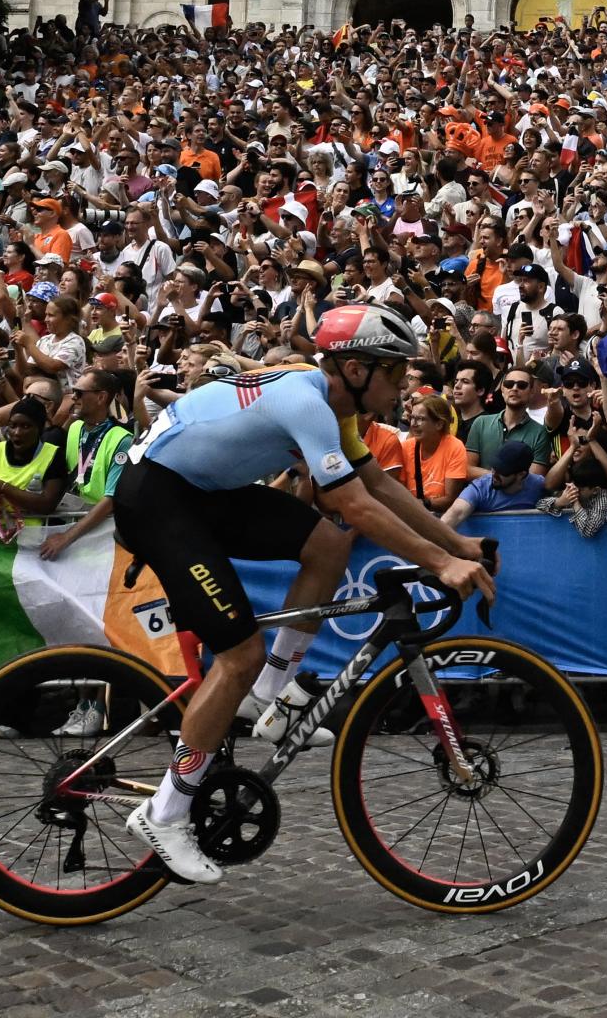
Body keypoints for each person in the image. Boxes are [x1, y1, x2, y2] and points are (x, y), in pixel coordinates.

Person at [111, 304, 489, 886]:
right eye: (394, 373)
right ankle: (165, 811)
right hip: (156, 497)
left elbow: (378, 483)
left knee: (328, 547)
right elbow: (354, 502)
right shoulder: (306, 400)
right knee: (238, 653)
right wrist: (438, 561)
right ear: (357, 369)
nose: (403, 387)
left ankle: (267, 698)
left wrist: (457, 545)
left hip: (201, 491)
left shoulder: (332, 408)